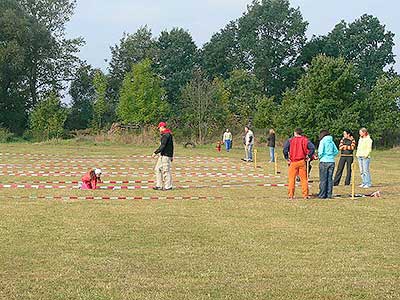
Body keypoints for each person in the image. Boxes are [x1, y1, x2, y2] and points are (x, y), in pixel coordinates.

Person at [283, 128, 315, 199]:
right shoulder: (305, 140)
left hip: (293, 162)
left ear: (295, 133)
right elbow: (312, 148)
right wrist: (309, 156)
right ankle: (305, 195)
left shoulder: (290, 140)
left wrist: (287, 158)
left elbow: (285, 149)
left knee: (292, 179)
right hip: (302, 162)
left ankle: (291, 195)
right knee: (304, 179)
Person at [152, 122, 174, 191]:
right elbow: (171, 146)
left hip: (166, 156)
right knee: (157, 169)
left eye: (159, 128)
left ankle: (168, 186)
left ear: (162, 127)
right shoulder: (166, 134)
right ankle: (159, 185)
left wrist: (155, 152)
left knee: (166, 171)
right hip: (162, 155)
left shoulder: (166, 135)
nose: (159, 129)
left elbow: (163, 146)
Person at [318, 130, 339, 199]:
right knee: (329, 179)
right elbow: (336, 151)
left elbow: (320, 151)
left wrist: (320, 157)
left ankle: (322, 194)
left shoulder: (322, 141)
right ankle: (329, 194)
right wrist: (331, 156)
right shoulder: (332, 142)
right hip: (331, 161)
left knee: (323, 179)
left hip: (324, 161)